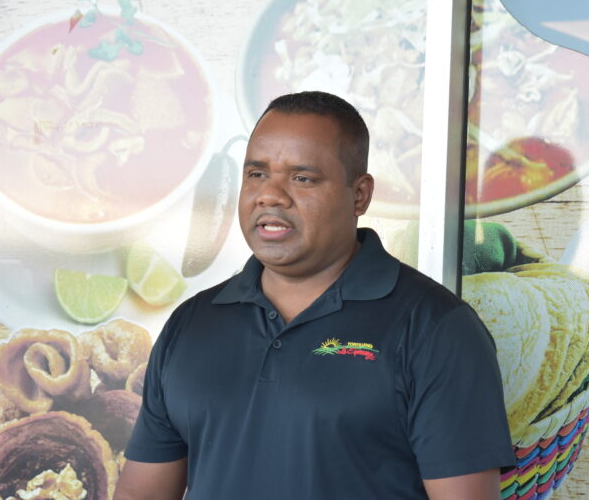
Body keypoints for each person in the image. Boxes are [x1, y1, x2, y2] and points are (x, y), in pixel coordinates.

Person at [114, 91, 515, 500]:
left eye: (301, 178)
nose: (270, 195)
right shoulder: (192, 323)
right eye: (256, 174)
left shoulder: (436, 327)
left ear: (359, 195)